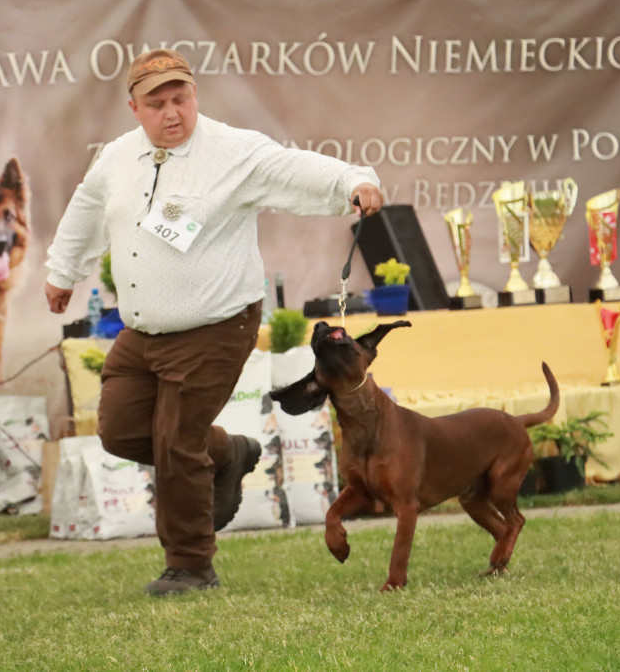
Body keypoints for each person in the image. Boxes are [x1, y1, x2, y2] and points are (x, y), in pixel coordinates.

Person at [45, 48, 382, 596]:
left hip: (216, 323)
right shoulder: (115, 158)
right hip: (141, 332)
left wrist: (353, 181)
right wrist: (63, 272)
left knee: (177, 444)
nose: (172, 112)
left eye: (181, 98)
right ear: (134, 108)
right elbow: (85, 210)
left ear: (194, 96)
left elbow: (291, 168)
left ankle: (192, 566)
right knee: (121, 432)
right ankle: (231, 452)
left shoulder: (233, 150)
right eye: (157, 103)